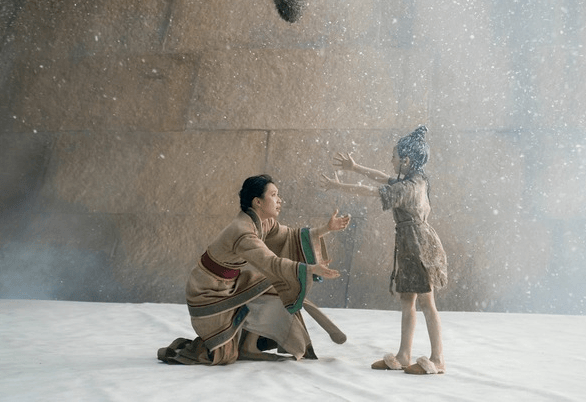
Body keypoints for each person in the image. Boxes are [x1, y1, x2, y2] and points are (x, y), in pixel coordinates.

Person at [158, 174, 350, 365]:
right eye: (274, 195)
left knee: (278, 286)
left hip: (231, 284)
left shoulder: (264, 222)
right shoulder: (243, 231)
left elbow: (289, 237)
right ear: (258, 202)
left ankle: (250, 347)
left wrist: (326, 228)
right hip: (207, 291)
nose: (279, 200)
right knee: (224, 355)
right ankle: (228, 346)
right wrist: (309, 268)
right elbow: (271, 263)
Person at [320, 125, 447, 375]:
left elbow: (373, 191)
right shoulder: (415, 179)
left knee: (426, 301)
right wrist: (355, 168)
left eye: (395, 157)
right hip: (411, 244)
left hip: (419, 246)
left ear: (407, 161)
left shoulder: (408, 188)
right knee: (408, 299)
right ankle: (403, 354)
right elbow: (381, 178)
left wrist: (339, 187)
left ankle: (438, 358)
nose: (391, 161)